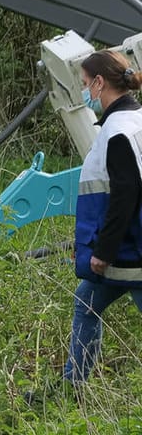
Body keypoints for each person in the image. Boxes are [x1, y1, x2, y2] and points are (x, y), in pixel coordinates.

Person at [61, 49, 142, 386]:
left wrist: (102, 252)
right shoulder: (136, 119)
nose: (83, 92)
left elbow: (125, 196)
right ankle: (73, 386)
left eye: (83, 84)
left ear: (98, 82)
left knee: (86, 303)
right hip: (130, 245)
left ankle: (73, 385)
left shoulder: (118, 131)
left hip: (130, 249)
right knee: (86, 302)